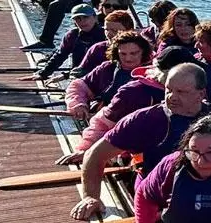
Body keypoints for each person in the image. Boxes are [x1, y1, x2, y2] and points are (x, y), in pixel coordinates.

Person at [70, 62, 208, 221]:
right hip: (154, 200)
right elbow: (95, 155)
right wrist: (91, 196)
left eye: (181, 92)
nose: (172, 97)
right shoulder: (143, 120)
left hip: (199, 199)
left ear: (201, 94)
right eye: (168, 90)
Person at [56, 45, 198, 166]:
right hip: (137, 160)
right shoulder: (133, 92)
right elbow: (103, 123)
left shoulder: (197, 92)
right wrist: (88, 150)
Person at [64, 31, 151, 125]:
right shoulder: (108, 68)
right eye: (123, 54)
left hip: (134, 124)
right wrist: (78, 103)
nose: (128, 58)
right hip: (100, 120)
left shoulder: (152, 74)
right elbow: (78, 86)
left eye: (133, 53)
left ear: (143, 52)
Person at [25, 4, 103, 80]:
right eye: (77, 18)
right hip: (78, 76)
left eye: (85, 17)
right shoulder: (72, 35)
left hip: (101, 75)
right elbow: (60, 56)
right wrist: (43, 74)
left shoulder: (105, 35)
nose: (82, 21)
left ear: (95, 18)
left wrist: (65, 75)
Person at [68, 8, 133, 76]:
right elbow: (81, 71)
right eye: (106, 30)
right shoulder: (97, 48)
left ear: (129, 31)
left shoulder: (138, 49)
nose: (108, 34)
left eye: (114, 30)